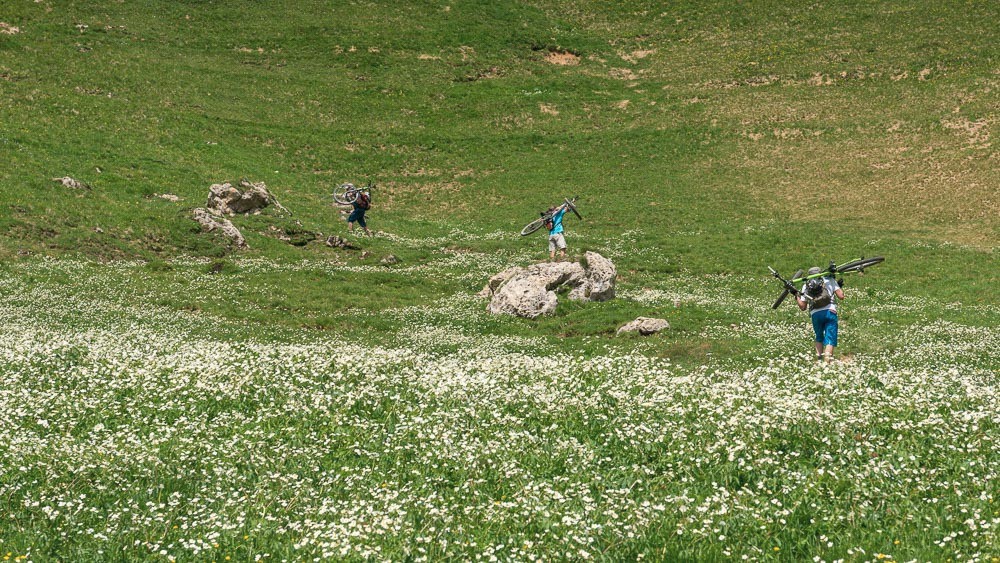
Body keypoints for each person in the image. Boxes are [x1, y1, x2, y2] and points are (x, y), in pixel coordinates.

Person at [797, 266, 845, 362]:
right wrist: (838, 286)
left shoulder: (806, 286)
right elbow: (841, 296)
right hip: (830, 311)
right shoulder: (829, 279)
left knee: (819, 336)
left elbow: (803, 307)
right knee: (830, 337)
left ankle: (819, 360)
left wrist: (796, 296)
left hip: (815, 314)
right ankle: (827, 362)